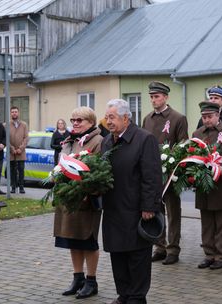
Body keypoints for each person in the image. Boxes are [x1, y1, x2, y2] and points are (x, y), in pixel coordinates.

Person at [101, 99, 163, 304]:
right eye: (107, 117)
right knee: (117, 254)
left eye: (112, 117)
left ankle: (137, 296)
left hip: (136, 209)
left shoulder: (144, 139)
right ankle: (124, 294)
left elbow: (152, 176)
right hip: (113, 208)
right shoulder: (107, 141)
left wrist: (149, 206)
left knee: (137, 255)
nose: (108, 122)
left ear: (126, 118)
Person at [54, 107, 104, 299]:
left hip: (87, 200)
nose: (75, 123)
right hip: (68, 199)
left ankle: (91, 281)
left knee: (88, 241)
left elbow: (101, 171)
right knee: (72, 239)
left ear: (91, 121)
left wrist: (86, 190)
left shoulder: (98, 141)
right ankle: (78, 278)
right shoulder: (69, 140)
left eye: (80, 120)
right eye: (72, 119)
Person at [142, 81, 189, 265]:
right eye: (152, 97)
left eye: (157, 96)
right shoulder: (147, 118)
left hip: (170, 173)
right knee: (155, 210)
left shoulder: (178, 117)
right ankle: (159, 246)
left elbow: (183, 144)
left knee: (173, 212)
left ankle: (173, 249)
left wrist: (172, 162)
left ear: (166, 97)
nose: (154, 100)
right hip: (151, 173)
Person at [193, 101, 222, 270]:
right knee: (206, 224)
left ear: (218, 115)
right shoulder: (197, 133)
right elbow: (192, 155)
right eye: (204, 117)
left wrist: (221, 168)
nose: (206, 120)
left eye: (209, 117)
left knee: (221, 223)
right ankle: (209, 255)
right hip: (203, 186)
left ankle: (221, 256)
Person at [8, 106, 29, 194]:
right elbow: (5, 138)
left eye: (16, 112)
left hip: (21, 153)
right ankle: (13, 187)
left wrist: (21, 148)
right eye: (12, 112)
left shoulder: (24, 125)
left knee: (21, 170)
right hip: (11, 152)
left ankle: (21, 187)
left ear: (18, 113)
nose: (14, 113)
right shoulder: (7, 125)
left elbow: (26, 138)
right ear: (10, 113)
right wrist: (12, 148)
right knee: (12, 171)